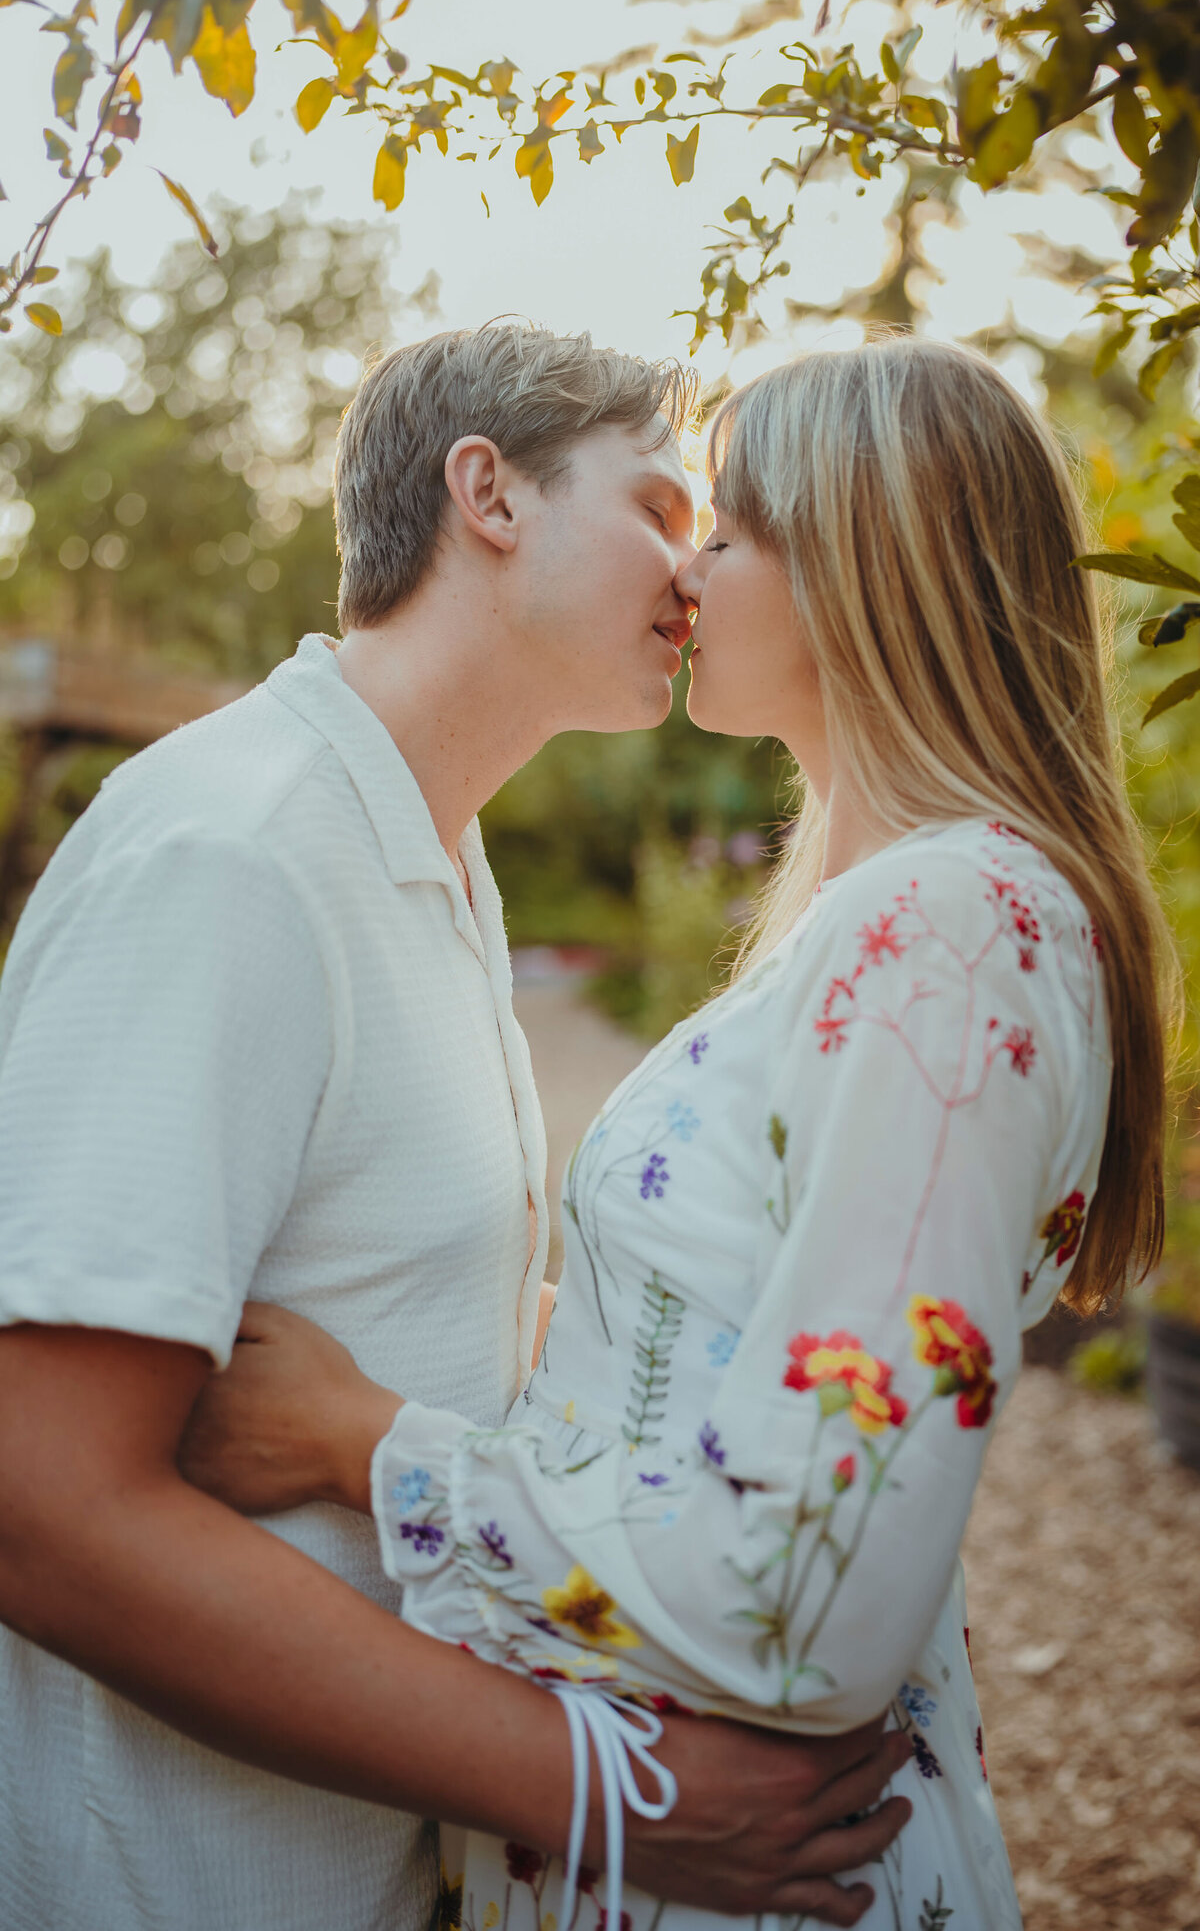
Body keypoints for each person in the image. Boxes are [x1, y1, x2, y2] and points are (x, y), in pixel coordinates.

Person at [181, 337, 1175, 1931]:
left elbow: (810, 1593)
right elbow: (734, 1355)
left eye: (724, 529)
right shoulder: (890, 918)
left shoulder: (953, 934)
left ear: (864, 561)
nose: (685, 570)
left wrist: (362, 1443)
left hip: (757, 1874)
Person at [0, 325, 914, 1931]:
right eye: (658, 503)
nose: (696, 564)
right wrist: (608, 1794)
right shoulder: (235, 857)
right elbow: (40, 1507)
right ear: (487, 493)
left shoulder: (428, 852)